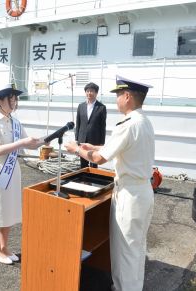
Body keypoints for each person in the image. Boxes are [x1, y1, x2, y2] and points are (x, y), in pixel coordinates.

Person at [65, 76, 155, 291]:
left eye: (118, 96)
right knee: (136, 247)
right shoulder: (143, 121)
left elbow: (98, 159)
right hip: (142, 191)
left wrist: (77, 149)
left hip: (129, 195)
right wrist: (93, 146)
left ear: (127, 97)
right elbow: (117, 147)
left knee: (125, 249)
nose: (116, 101)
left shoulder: (127, 125)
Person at [0, 84, 41, 265]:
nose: (14, 102)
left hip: (12, 170)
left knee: (9, 209)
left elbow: (29, 143)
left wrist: (45, 141)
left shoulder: (15, 122)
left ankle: (5, 246)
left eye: (15, 99)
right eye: (11, 98)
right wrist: (23, 142)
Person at [75, 82, 107, 168]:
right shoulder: (80, 106)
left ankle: (92, 180)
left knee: (94, 164)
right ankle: (83, 181)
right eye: (87, 91)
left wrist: (101, 143)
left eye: (92, 91)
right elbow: (78, 124)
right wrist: (77, 140)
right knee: (83, 164)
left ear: (96, 93)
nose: (89, 93)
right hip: (82, 139)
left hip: (95, 140)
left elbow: (102, 127)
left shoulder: (101, 107)